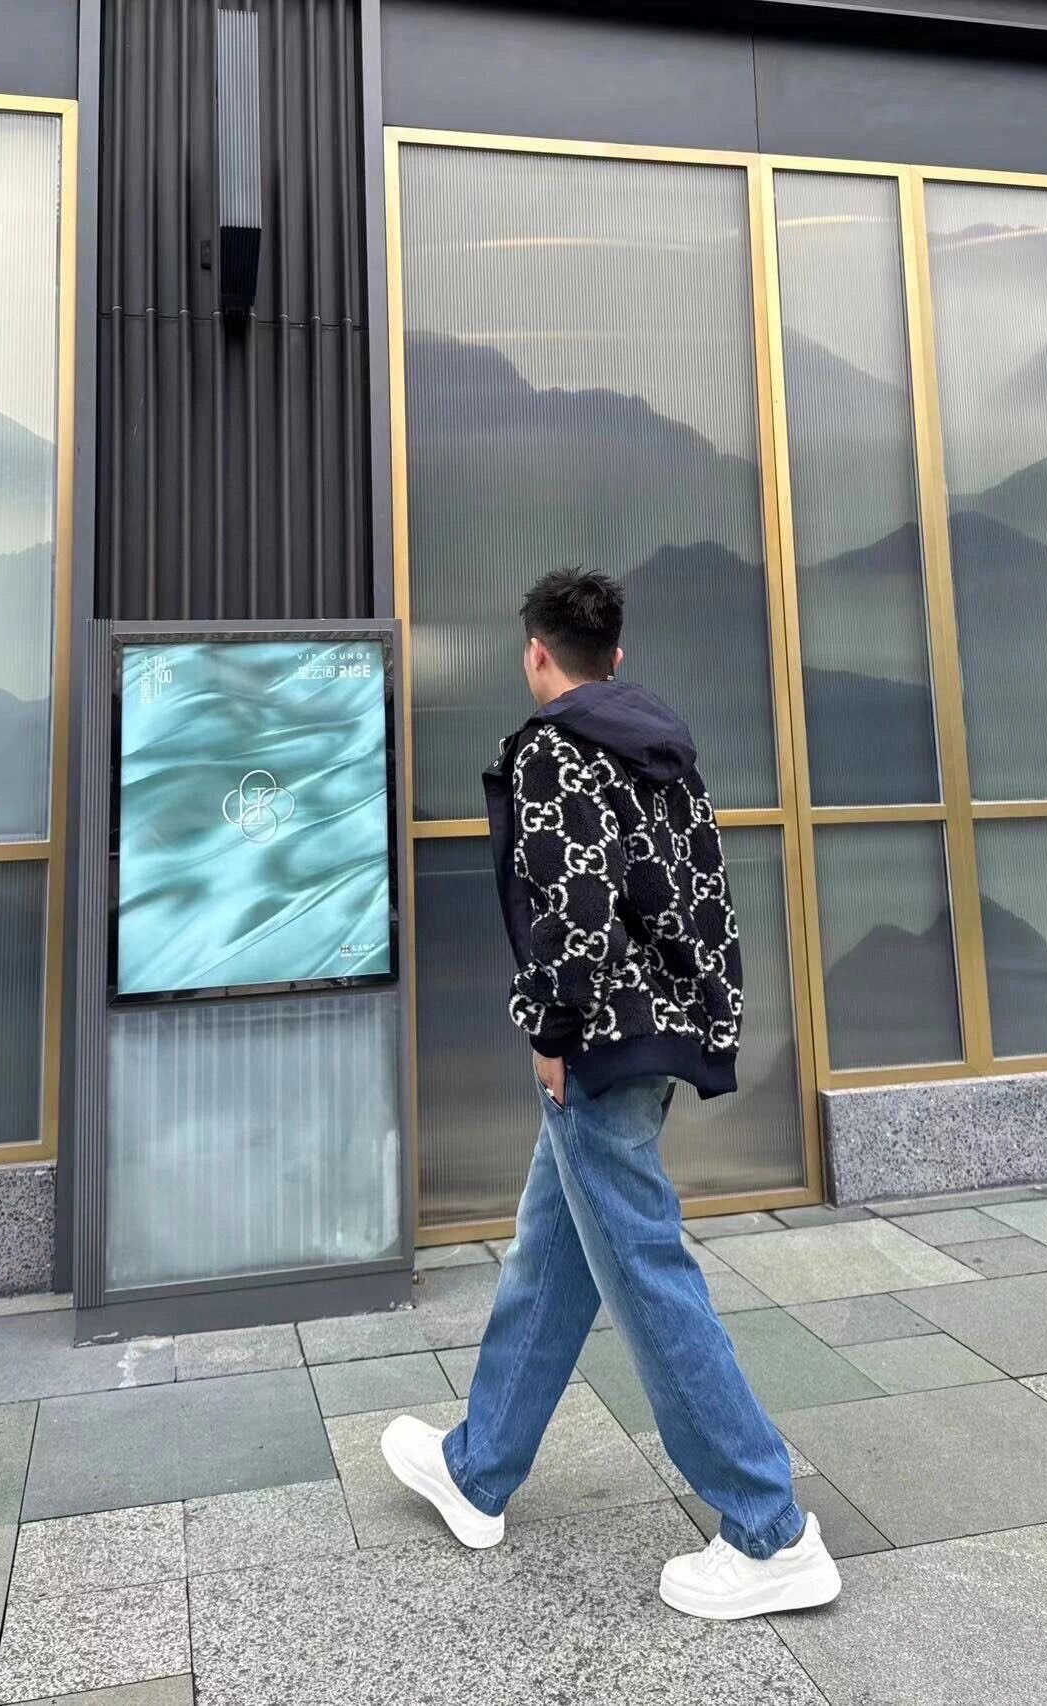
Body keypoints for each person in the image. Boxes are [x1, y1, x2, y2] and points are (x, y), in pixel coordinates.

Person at [382, 568, 841, 1620]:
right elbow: (706, 895)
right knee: (552, 1254)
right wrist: (705, 1021)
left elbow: (574, 904)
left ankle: (769, 1528)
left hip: (596, 1040)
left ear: (536, 654)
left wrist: (552, 1031)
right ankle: (478, 1470)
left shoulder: (553, 749)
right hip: (656, 1031)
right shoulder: (661, 751)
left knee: (644, 1267)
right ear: (615, 658)